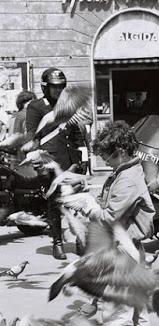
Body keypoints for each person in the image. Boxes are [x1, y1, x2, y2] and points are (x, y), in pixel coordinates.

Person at [90, 120, 155, 326]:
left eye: (106, 155)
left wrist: (85, 206)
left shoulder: (127, 178)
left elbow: (109, 216)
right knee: (137, 308)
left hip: (124, 253)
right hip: (131, 250)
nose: (104, 160)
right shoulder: (126, 171)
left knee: (119, 311)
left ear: (120, 151)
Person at [26, 68, 85, 260]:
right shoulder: (36, 107)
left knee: (77, 202)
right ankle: (57, 243)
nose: (58, 91)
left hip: (70, 162)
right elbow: (33, 137)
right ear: (45, 87)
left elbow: (77, 136)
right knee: (55, 205)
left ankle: (80, 241)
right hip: (50, 163)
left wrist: (82, 160)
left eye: (61, 87)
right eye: (54, 87)